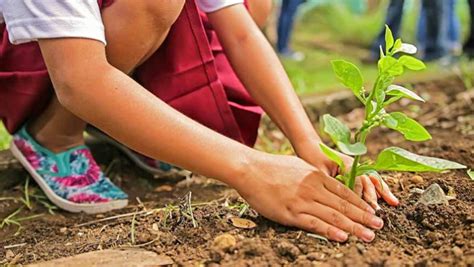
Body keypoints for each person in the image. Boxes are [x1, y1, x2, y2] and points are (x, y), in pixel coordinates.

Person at [0, 0, 399, 242]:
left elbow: (240, 34)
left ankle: (119, 122)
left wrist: (307, 140)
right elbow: (80, 81)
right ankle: (52, 135)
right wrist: (251, 169)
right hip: (40, 58)